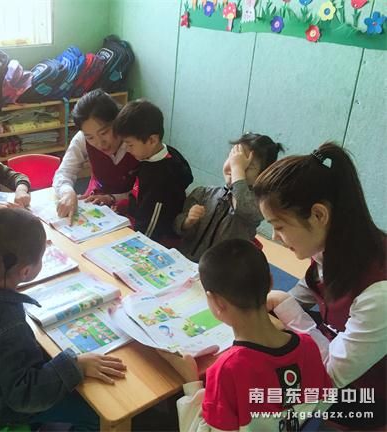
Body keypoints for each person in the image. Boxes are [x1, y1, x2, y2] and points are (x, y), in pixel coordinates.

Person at [0, 208, 126, 429]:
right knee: (97, 415)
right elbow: (23, 395)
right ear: (25, 272)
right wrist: (76, 365)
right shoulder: (11, 327)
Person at [253, 142, 387, 429]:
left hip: (364, 396)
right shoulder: (331, 247)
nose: (274, 237)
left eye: (279, 226)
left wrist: (283, 312)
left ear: (318, 215)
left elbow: (328, 378)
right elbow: (303, 294)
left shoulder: (378, 292)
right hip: (335, 352)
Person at [159, 239, 333, 431]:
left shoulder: (227, 370)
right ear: (270, 283)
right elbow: (322, 402)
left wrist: (191, 382)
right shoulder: (308, 345)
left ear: (216, 301)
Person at [174, 133, 284, 262]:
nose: (236, 168)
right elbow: (178, 228)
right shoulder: (203, 193)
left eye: (247, 166)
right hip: (188, 263)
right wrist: (188, 222)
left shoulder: (258, 205)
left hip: (224, 269)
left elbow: (243, 206)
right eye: (233, 159)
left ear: (261, 176)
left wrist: (238, 168)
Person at [112, 99, 192, 244]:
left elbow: (152, 223)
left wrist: (137, 242)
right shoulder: (159, 154)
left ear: (152, 140)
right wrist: (125, 206)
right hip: (140, 220)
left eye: (130, 145)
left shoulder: (161, 178)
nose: (127, 149)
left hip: (159, 239)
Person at [53, 89, 139, 222]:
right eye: (90, 137)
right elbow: (64, 172)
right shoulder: (82, 139)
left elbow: (148, 190)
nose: (99, 143)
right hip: (95, 200)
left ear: (117, 120)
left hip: (133, 206)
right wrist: (67, 192)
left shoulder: (135, 140)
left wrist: (113, 198)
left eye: (104, 133)